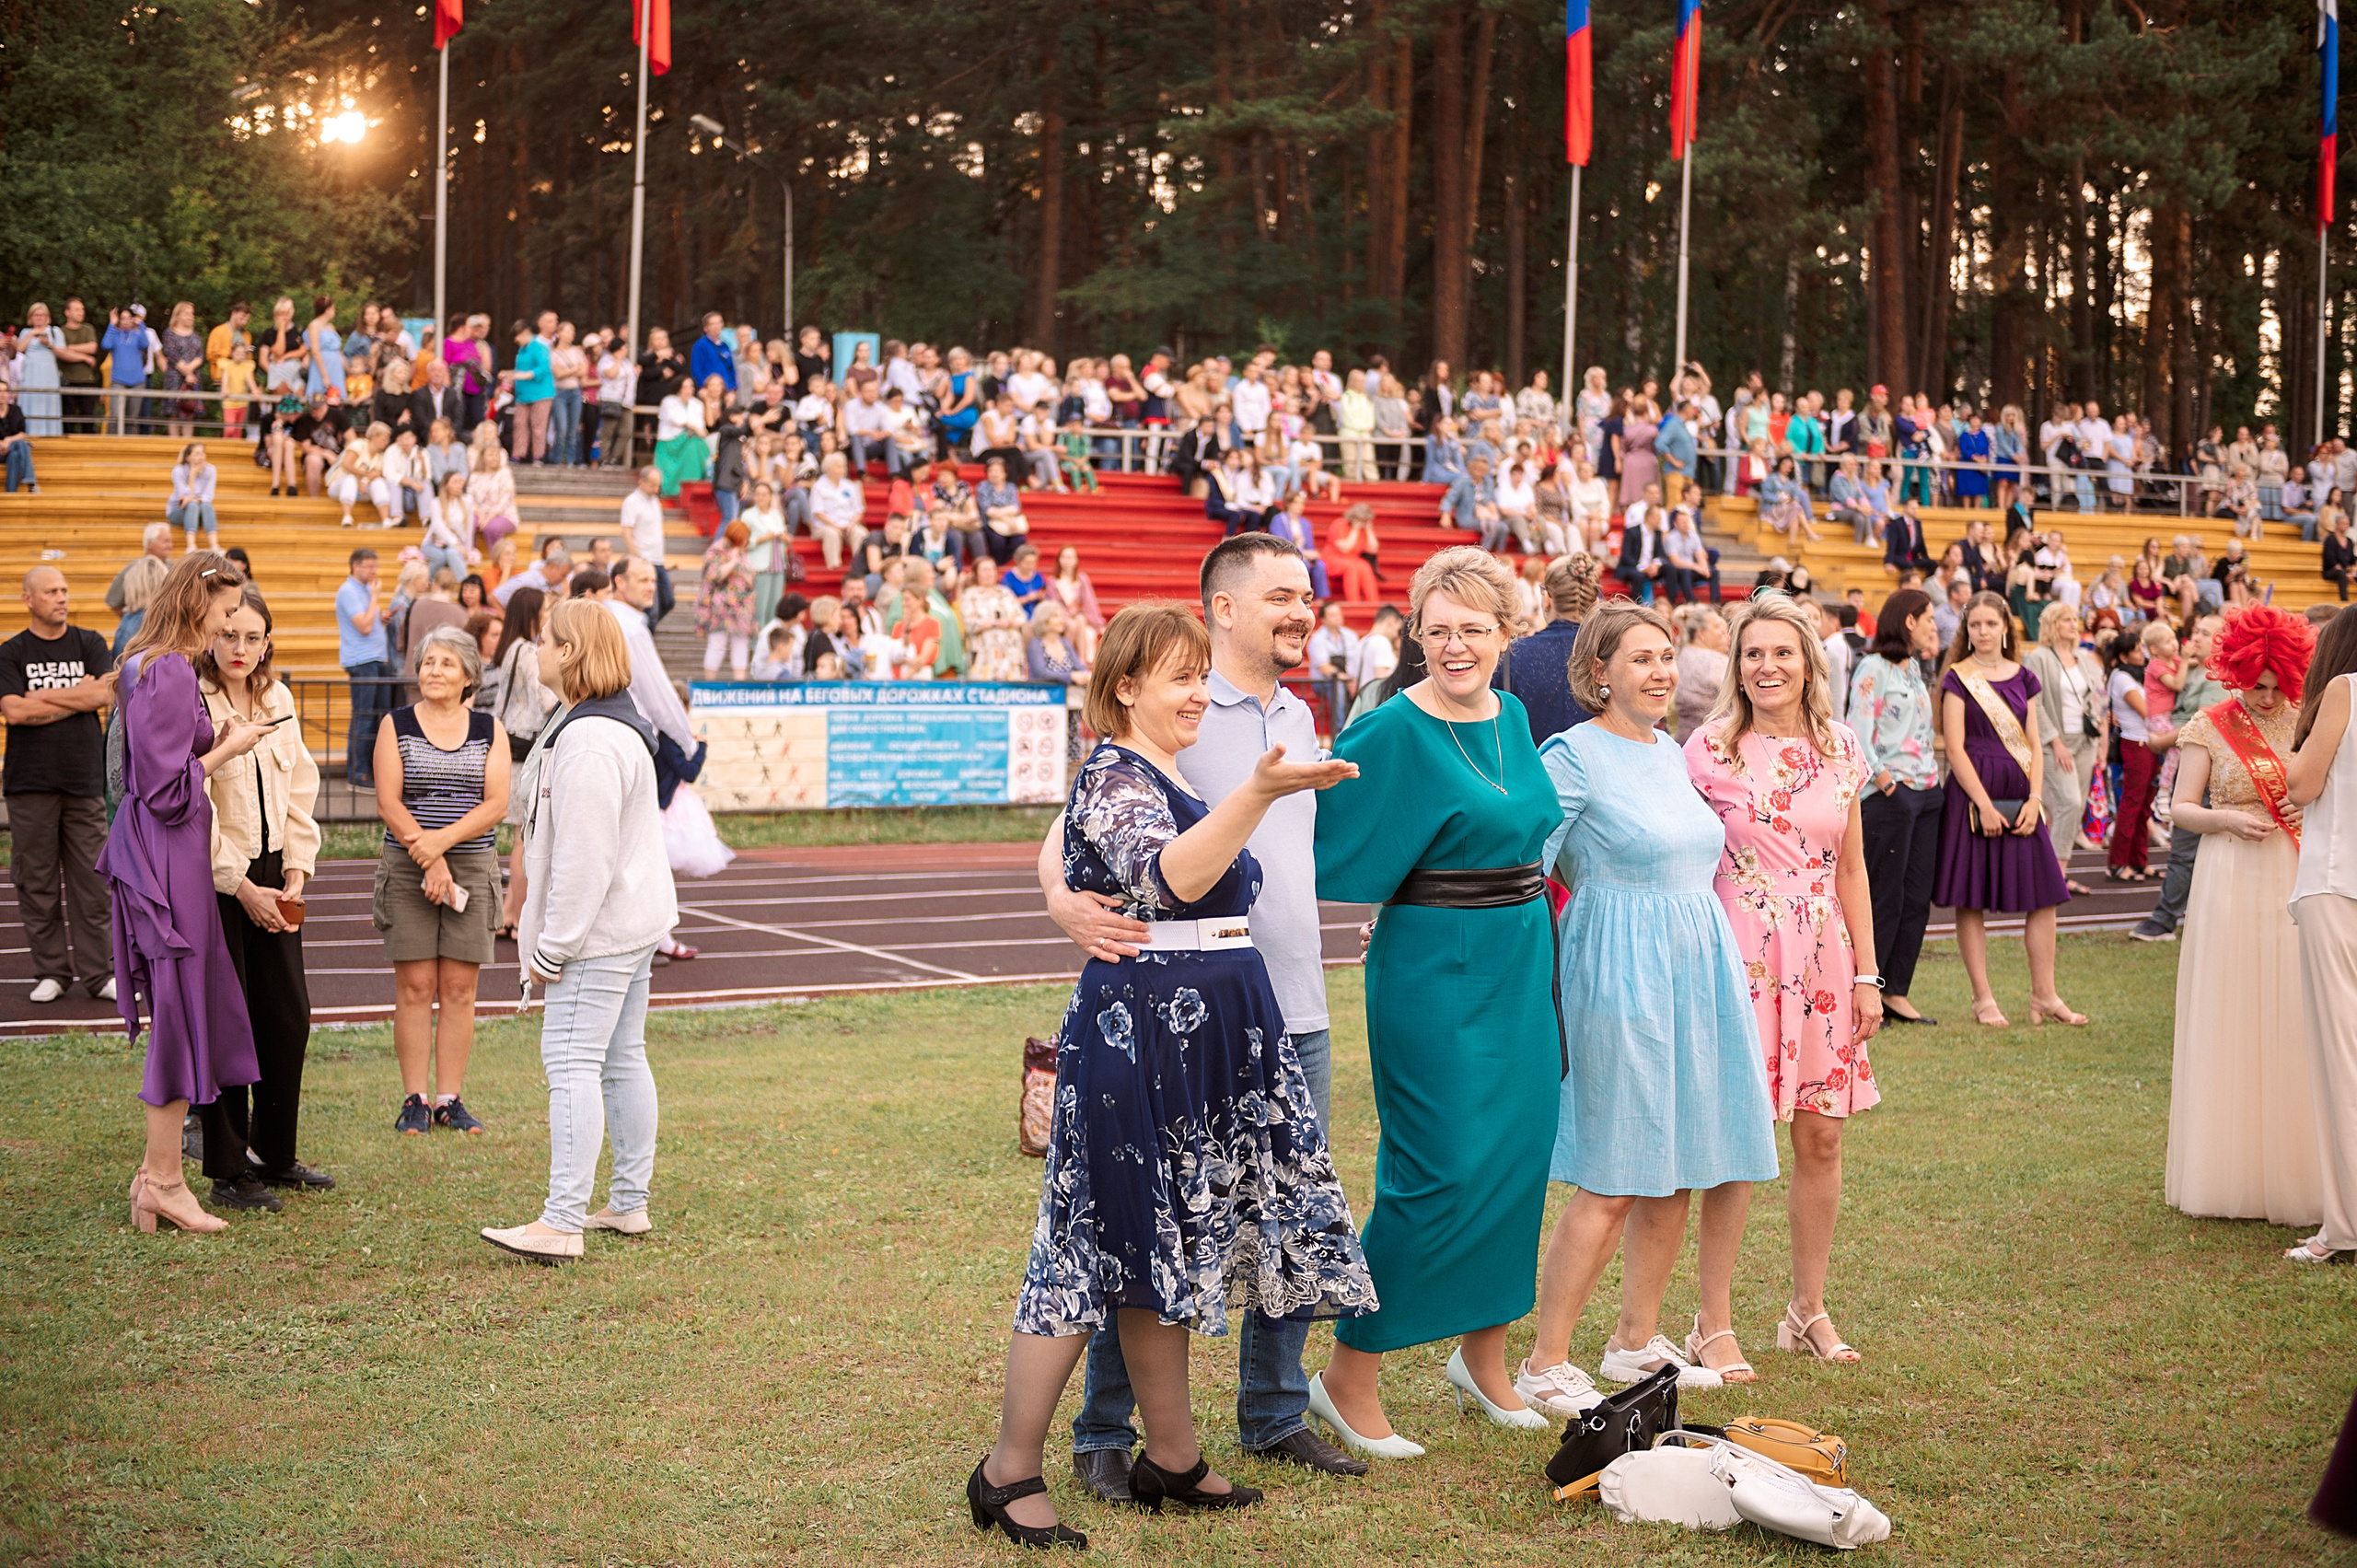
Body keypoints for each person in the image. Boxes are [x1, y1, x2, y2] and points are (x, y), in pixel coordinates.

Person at [976, 603, 1373, 1546]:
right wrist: (1261, 792)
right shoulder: (1118, 773)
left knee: (1160, 1254)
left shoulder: (1159, 771)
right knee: (1087, 1251)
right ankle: (1006, 1469)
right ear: (1124, 687)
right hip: (1143, 1034)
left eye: (1202, 675)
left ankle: (1174, 1455)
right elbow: (1173, 878)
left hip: (1199, 1030)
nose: (1198, 692)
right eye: (1179, 677)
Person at [1307, 547, 1562, 1456]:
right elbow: (1318, 832)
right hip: (1430, 968)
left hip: (1520, 959)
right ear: (1415, 632)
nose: (1455, 645)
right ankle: (1348, 1373)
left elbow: (1523, 825)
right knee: (1436, 1170)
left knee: (1515, 1157)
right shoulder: (1387, 727)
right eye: (1437, 628)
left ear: (1505, 633)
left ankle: (1483, 1359)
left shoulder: (1518, 711)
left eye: (1473, 628)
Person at [1519, 598, 1780, 1415]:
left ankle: (1634, 1340)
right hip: (1619, 969)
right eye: (1640, 658)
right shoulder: (1571, 754)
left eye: (1667, 656)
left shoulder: (1671, 750)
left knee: (1678, 1165)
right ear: (1598, 672)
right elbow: (1525, 864)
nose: (1662, 671)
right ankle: (1544, 1359)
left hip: (1695, 969)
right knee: (1617, 1170)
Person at [1686, 595, 1882, 1370]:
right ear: (1736, 665)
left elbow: (1854, 866)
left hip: (1826, 963)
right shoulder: (1707, 749)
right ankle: (1713, 1321)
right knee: (1739, 1142)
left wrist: (1868, 972)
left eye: (1782, 652)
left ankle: (1806, 1310)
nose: (1766, 666)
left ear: (1809, 663)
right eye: (1752, 653)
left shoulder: (1841, 748)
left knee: (1822, 1136)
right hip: (1739, 960)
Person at [481, 600, 678, 1262]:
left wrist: (549, 948)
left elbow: (583, 860)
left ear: (570, 653)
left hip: (599, 933)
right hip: (632, 922)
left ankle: (562, 1219)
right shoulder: (601, 723)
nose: (534, 649)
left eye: (544, 639)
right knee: (621, 1057)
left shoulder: (591, 738)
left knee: (573, 1062)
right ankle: (627, 1200)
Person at [102, 553, 272, 1233]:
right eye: (226, 611)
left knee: (183, 1009)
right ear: (197, 601)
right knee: (177, 1013)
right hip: (170, 857)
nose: (230, 624)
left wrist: (218, 736)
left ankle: (157, 1176)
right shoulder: (169, 667)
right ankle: (165, 1181)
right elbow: (170, 790)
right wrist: (231, 748)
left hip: (161, 852)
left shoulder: (147, 662)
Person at [2164, 605, 2320, 1231]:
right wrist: (2224, 819)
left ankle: (2297, 1167)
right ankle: (2225, 1166)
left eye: (2273, 683)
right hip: (2228, 869)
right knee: (2231, 1007)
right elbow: (2179, 808)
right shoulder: (2210, 724)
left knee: (2290, 1006)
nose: (2263, 695)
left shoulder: (2309, 723)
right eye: (2253, 682)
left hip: (2290, 868)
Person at [194, 585, 329, 1210]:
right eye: (229, 633)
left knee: (286, 1015)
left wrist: (297, 867)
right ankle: (227, 1169)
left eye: (252, 636)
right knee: (226, 1023)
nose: (240, 647)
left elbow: (300, 783)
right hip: (220, 879)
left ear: (268, 642)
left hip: (275, 870)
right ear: (210, 633)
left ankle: (274, 1155)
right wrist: (239, 883)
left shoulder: (276, 696)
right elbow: (193, 803)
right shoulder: (195, 699)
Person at [372, 625, 511, 1137]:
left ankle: (450, 1099)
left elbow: (495, 802)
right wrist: (428, 858)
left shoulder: (487, 729)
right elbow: (389, 801)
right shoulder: (397, 724)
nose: (434, 671)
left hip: (471, 866)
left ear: (469, 675)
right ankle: (414, 1100)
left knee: (458, 987)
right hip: (409, 865)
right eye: (429, 661)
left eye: (447, 663)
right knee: (414, 986)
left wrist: (442, 847)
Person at [1933, 590, 2083, 1027]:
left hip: (2022, 796)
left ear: (2005, 628)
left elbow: (2035, 744)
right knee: (1970, 897)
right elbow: (1955, 749)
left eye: (1990, 624)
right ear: (1967, 630)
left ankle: (2045, 995)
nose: (1982, 632)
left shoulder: (2023, 676)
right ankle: (1983, 999)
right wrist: (1981, 805)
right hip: (1972, 794)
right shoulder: (1957, 678)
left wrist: (2037, 800)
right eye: (1975, 625)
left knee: (2046, 894)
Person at [2, 566, 117, 1004]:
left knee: (93, 884)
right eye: (51, 591)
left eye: (65, 590)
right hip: (29, 784)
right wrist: (74, 695)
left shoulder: (89, 642)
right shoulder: (10, 652)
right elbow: (13, 711)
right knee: (37, 883)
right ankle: (50, 970)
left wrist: (40, 699)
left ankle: (97, 973)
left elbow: (102, 695)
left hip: (83, 781)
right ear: (29, 599)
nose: (61, 597)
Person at [2288, 605, 2357, 1262]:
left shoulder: (2343, 688)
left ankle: (2345, 1225)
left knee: (2341, 1062)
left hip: (2337, 885)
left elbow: (2301, 782)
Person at [1850, 588, 1945, 1026]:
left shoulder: (1914, 669)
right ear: (1909, 620)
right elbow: (1857, 731)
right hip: (1891, 795)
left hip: (1926, 793)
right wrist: (1886, 783)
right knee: (1883, 896)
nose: (1934, 624)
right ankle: (1871, 986)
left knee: (1916, 897)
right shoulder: (1873, 667)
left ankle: (1898, 991)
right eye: (1928, 617)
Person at [2025, 605, 2107, 895]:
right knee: (2068, 802)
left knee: (2074, 806)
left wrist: (2101, 735)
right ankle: (2056, 875)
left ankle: (2052, 870)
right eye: (2066, 619)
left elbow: (2099, 696)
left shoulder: (2084, 658)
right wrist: (2055, 741)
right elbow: (2033, 702)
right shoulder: (2039, 657)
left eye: (2075, 619)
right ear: (2052, 624)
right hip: (2053, 743)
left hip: (2085, 742)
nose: (2074, 624)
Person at [1497, 554, 1600, 748]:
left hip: (1530, 770)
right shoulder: (1610, 655)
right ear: (1595, 603)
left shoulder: (1514, 654)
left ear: (1547, 600)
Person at [694, 519, 756, 679]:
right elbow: (714, 576)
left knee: (741, 645)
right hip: (722, 607)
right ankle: (709, 683)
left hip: (742, 607)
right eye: (744, 537)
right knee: (717, 644)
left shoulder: (741, 550)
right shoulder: (718, 550)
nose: (745, 541)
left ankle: (739, 684)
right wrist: (733, 561)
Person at [1672, 601, 1729, 740]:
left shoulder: (1677, 654)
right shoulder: (1716, 660)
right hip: (1714, 742)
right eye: (1717, 627)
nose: (1724, 632)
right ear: (1700, 634)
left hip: (1683, 740)